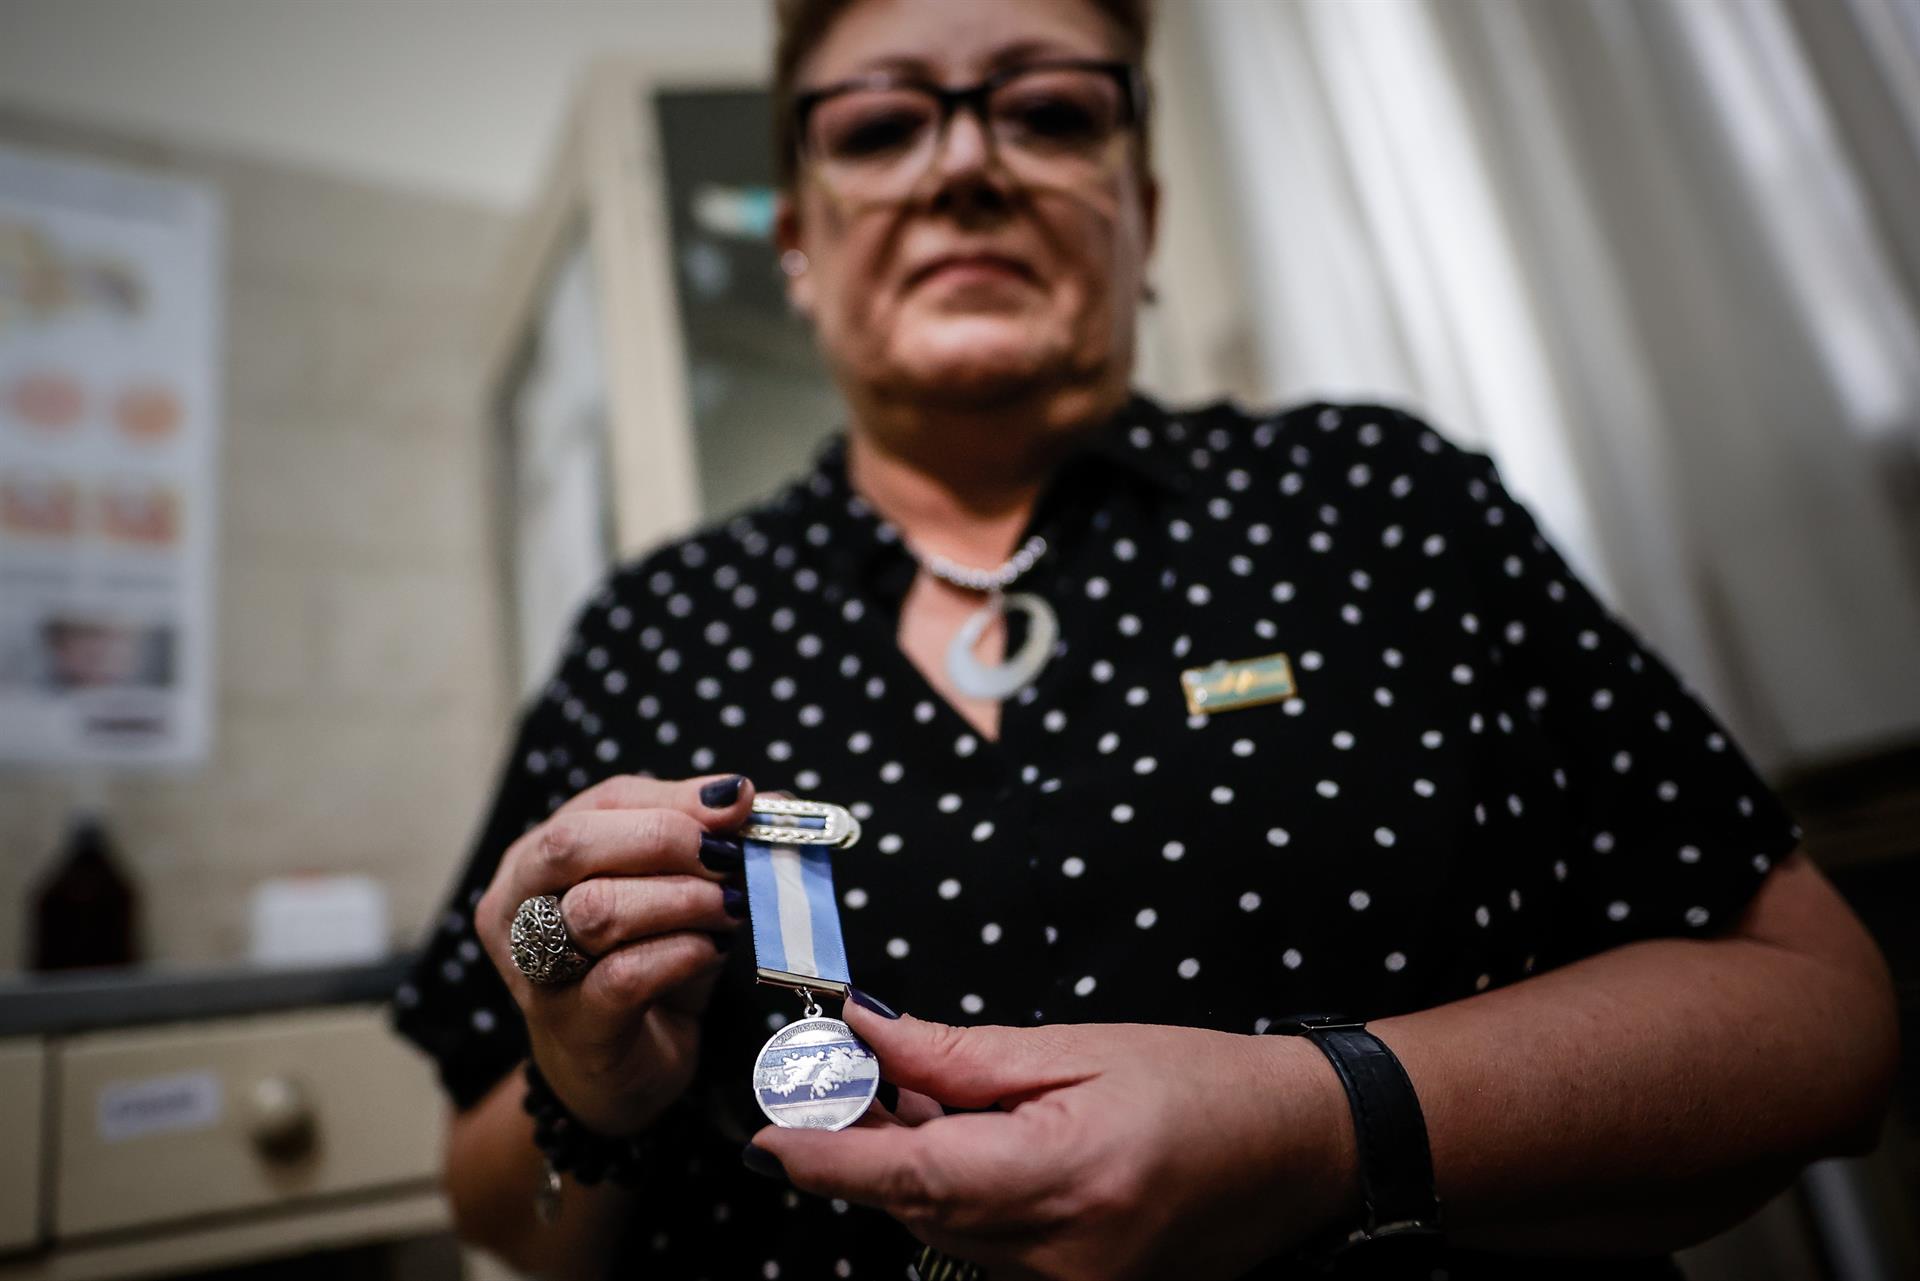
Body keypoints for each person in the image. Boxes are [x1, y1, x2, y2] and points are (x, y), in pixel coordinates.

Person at [392, 0, 1900, 1277]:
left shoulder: (1372, 496)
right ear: (798, 244)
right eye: (875, 129)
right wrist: (585, 1079)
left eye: (1047, 112)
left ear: (1147, 210)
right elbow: (496, 1202)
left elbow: (1821, 1012)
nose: (966, 162)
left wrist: (1324, 1117)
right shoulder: (657, 629)